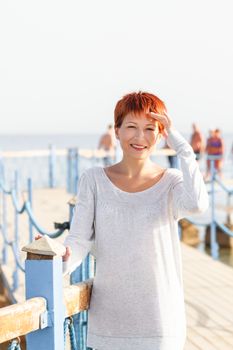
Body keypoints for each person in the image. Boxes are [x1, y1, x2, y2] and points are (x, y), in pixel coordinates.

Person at [63, 92, 209, 350]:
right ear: (117, 130)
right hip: (110, 320)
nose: (140, 137)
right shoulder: (93, 180)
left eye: (150, 128)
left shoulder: (171, 181)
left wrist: (182, 146)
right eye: (131, 127)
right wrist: (59, 257)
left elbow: (197, 204)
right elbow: (79, 240)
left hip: (161, 320)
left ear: (161, 134)